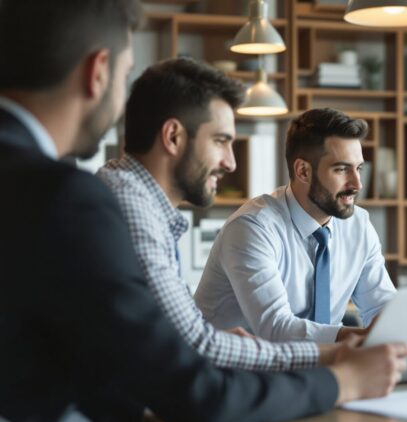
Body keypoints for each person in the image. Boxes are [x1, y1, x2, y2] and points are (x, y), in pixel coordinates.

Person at [0, 1, 407, 422]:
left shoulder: (84, 193)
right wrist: (341, 376)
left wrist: (331, 356)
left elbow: (193, 344)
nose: (232, 164)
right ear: (98, 72)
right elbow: (196, 373)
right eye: (221, 141)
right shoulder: (87, 198)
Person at [97, 58, 345, 372]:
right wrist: (336, 356)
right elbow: (196, 347)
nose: (231, 163)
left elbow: (187, 337)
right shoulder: (130, 207)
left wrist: (223, 342)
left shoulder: (136, 199)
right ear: (173, 137)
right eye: (220, 141)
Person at [194, 108, 396, 343]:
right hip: (232, 371)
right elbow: (276, 328)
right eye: (341, 169)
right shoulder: (252, 228)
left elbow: (382, 308)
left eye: (358, 168)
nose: (357, 184)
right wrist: (361, 339)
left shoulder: (358, 226)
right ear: (303, 171)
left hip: (310, 369)